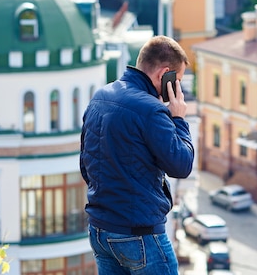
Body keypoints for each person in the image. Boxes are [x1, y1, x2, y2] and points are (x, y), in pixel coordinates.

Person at [80, 35, 194, 274]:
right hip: (139, 235)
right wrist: (179, 119)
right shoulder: (151, 110)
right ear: (165, 75)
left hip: (100, 231)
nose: (178, 89)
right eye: (177, 81)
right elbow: (181, 165)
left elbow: (86, 166)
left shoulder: (100, 97)